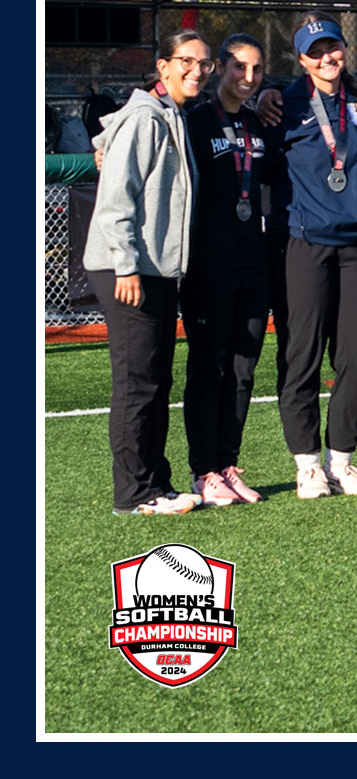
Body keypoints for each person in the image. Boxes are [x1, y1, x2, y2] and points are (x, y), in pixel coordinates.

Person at [85, 30, 211, 514]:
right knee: (137, 381)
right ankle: (134, 493)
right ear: (163, 67)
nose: (196, 70)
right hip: (129, 267)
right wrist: (126, 265)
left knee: (157, 379)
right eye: (186, 61)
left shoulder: (172, 114)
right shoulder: (145, 117)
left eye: (204, 64)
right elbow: (116, 202)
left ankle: (156, 483)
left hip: (156, 267)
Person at [277, 17, 357, 499]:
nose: (327, 59)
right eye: (315, 52)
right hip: (308, 242)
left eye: (334, 49)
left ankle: (341, 460)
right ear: (301, 59)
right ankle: (307, 464)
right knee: (302, 355)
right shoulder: (283, 102)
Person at [180, 33, 283, 507]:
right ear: (221, 68)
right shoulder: (196, 122)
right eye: (239, 67)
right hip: (207, 265)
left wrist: (268, 95)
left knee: (243, 369)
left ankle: (227, 463)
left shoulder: (261, 122)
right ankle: (203, 469)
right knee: (210, 366)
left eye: (257, 70)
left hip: (253, 263)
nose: (248, 77)